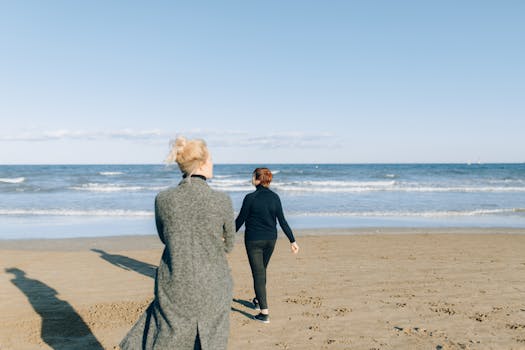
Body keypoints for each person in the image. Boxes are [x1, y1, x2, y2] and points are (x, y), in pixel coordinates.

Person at [120, 136, 235, 350]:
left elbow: (166, 237)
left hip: (174, 281)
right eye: (211, 159)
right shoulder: (221, 200)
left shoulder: (163, 199)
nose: (213, 164)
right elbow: (229, 245)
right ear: (202, 163)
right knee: (211, 340)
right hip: (213, 283)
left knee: (168, 337)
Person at [235, 167, 299, 324]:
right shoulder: (275, 197)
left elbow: (239, 221)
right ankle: (257, 300)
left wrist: (226, 236)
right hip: (271, 240)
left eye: (252, 176)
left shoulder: (250, 198)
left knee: (258, 274)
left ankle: (264, 313)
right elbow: (282, 221)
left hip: (253, 241)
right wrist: (293, 241)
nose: (251, 179)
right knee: (262, 271)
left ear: (258, 179)